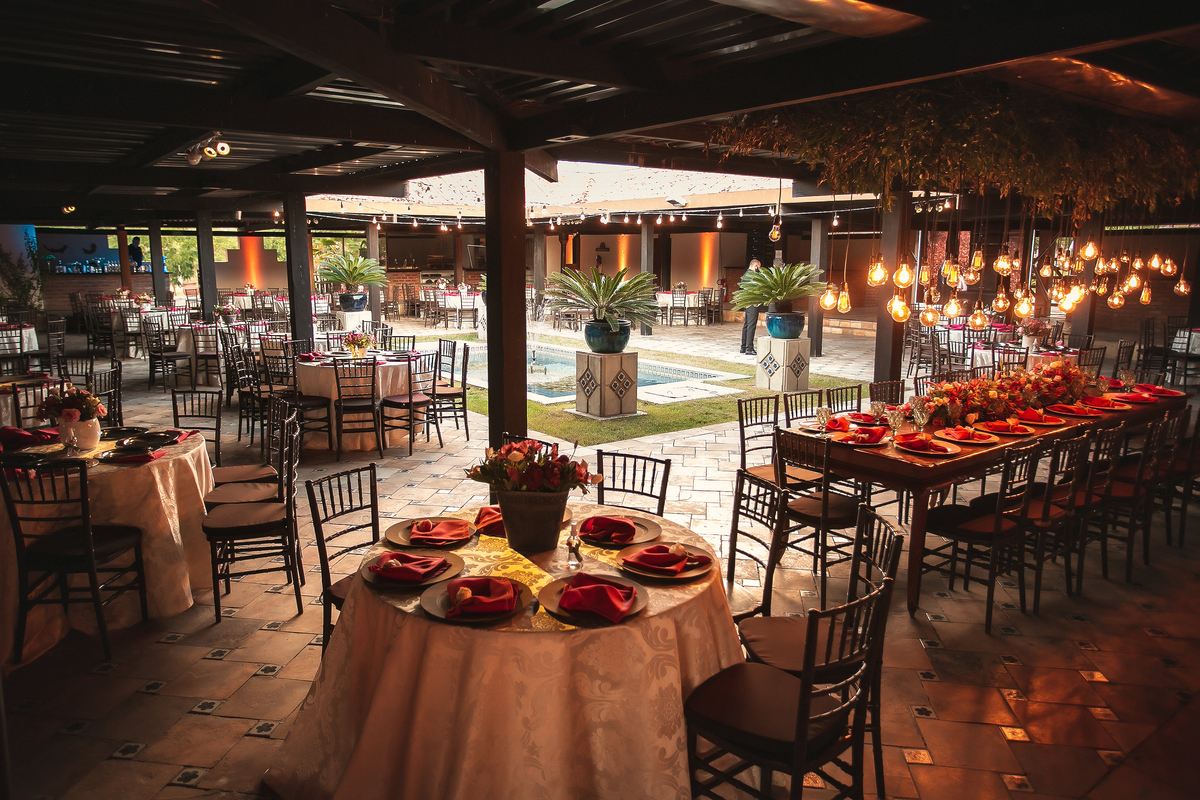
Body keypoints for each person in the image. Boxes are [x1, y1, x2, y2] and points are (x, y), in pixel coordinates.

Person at [739, 258, 763, 355]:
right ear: (755, 266)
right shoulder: (751, 276)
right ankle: (749, 348)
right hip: (752, 303)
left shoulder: (745, 275)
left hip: (747, 303)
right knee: (751, 325)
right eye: (758, 268)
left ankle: (743, 347)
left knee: (747, 325)